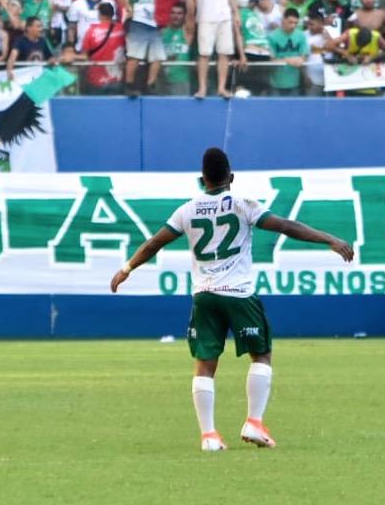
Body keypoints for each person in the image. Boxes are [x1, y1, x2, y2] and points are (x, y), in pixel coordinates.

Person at [110, 147, 354, 452]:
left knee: (205, 365)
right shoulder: (244, 205)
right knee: (260, 356)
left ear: (202, 180)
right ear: (232, 177)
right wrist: (330, 239)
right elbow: (288, 227)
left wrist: (126, 269)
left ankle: (209, 436)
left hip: (204, 297)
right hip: (238, 294)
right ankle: (254, 422)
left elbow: (154, 244)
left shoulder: (186, 210)